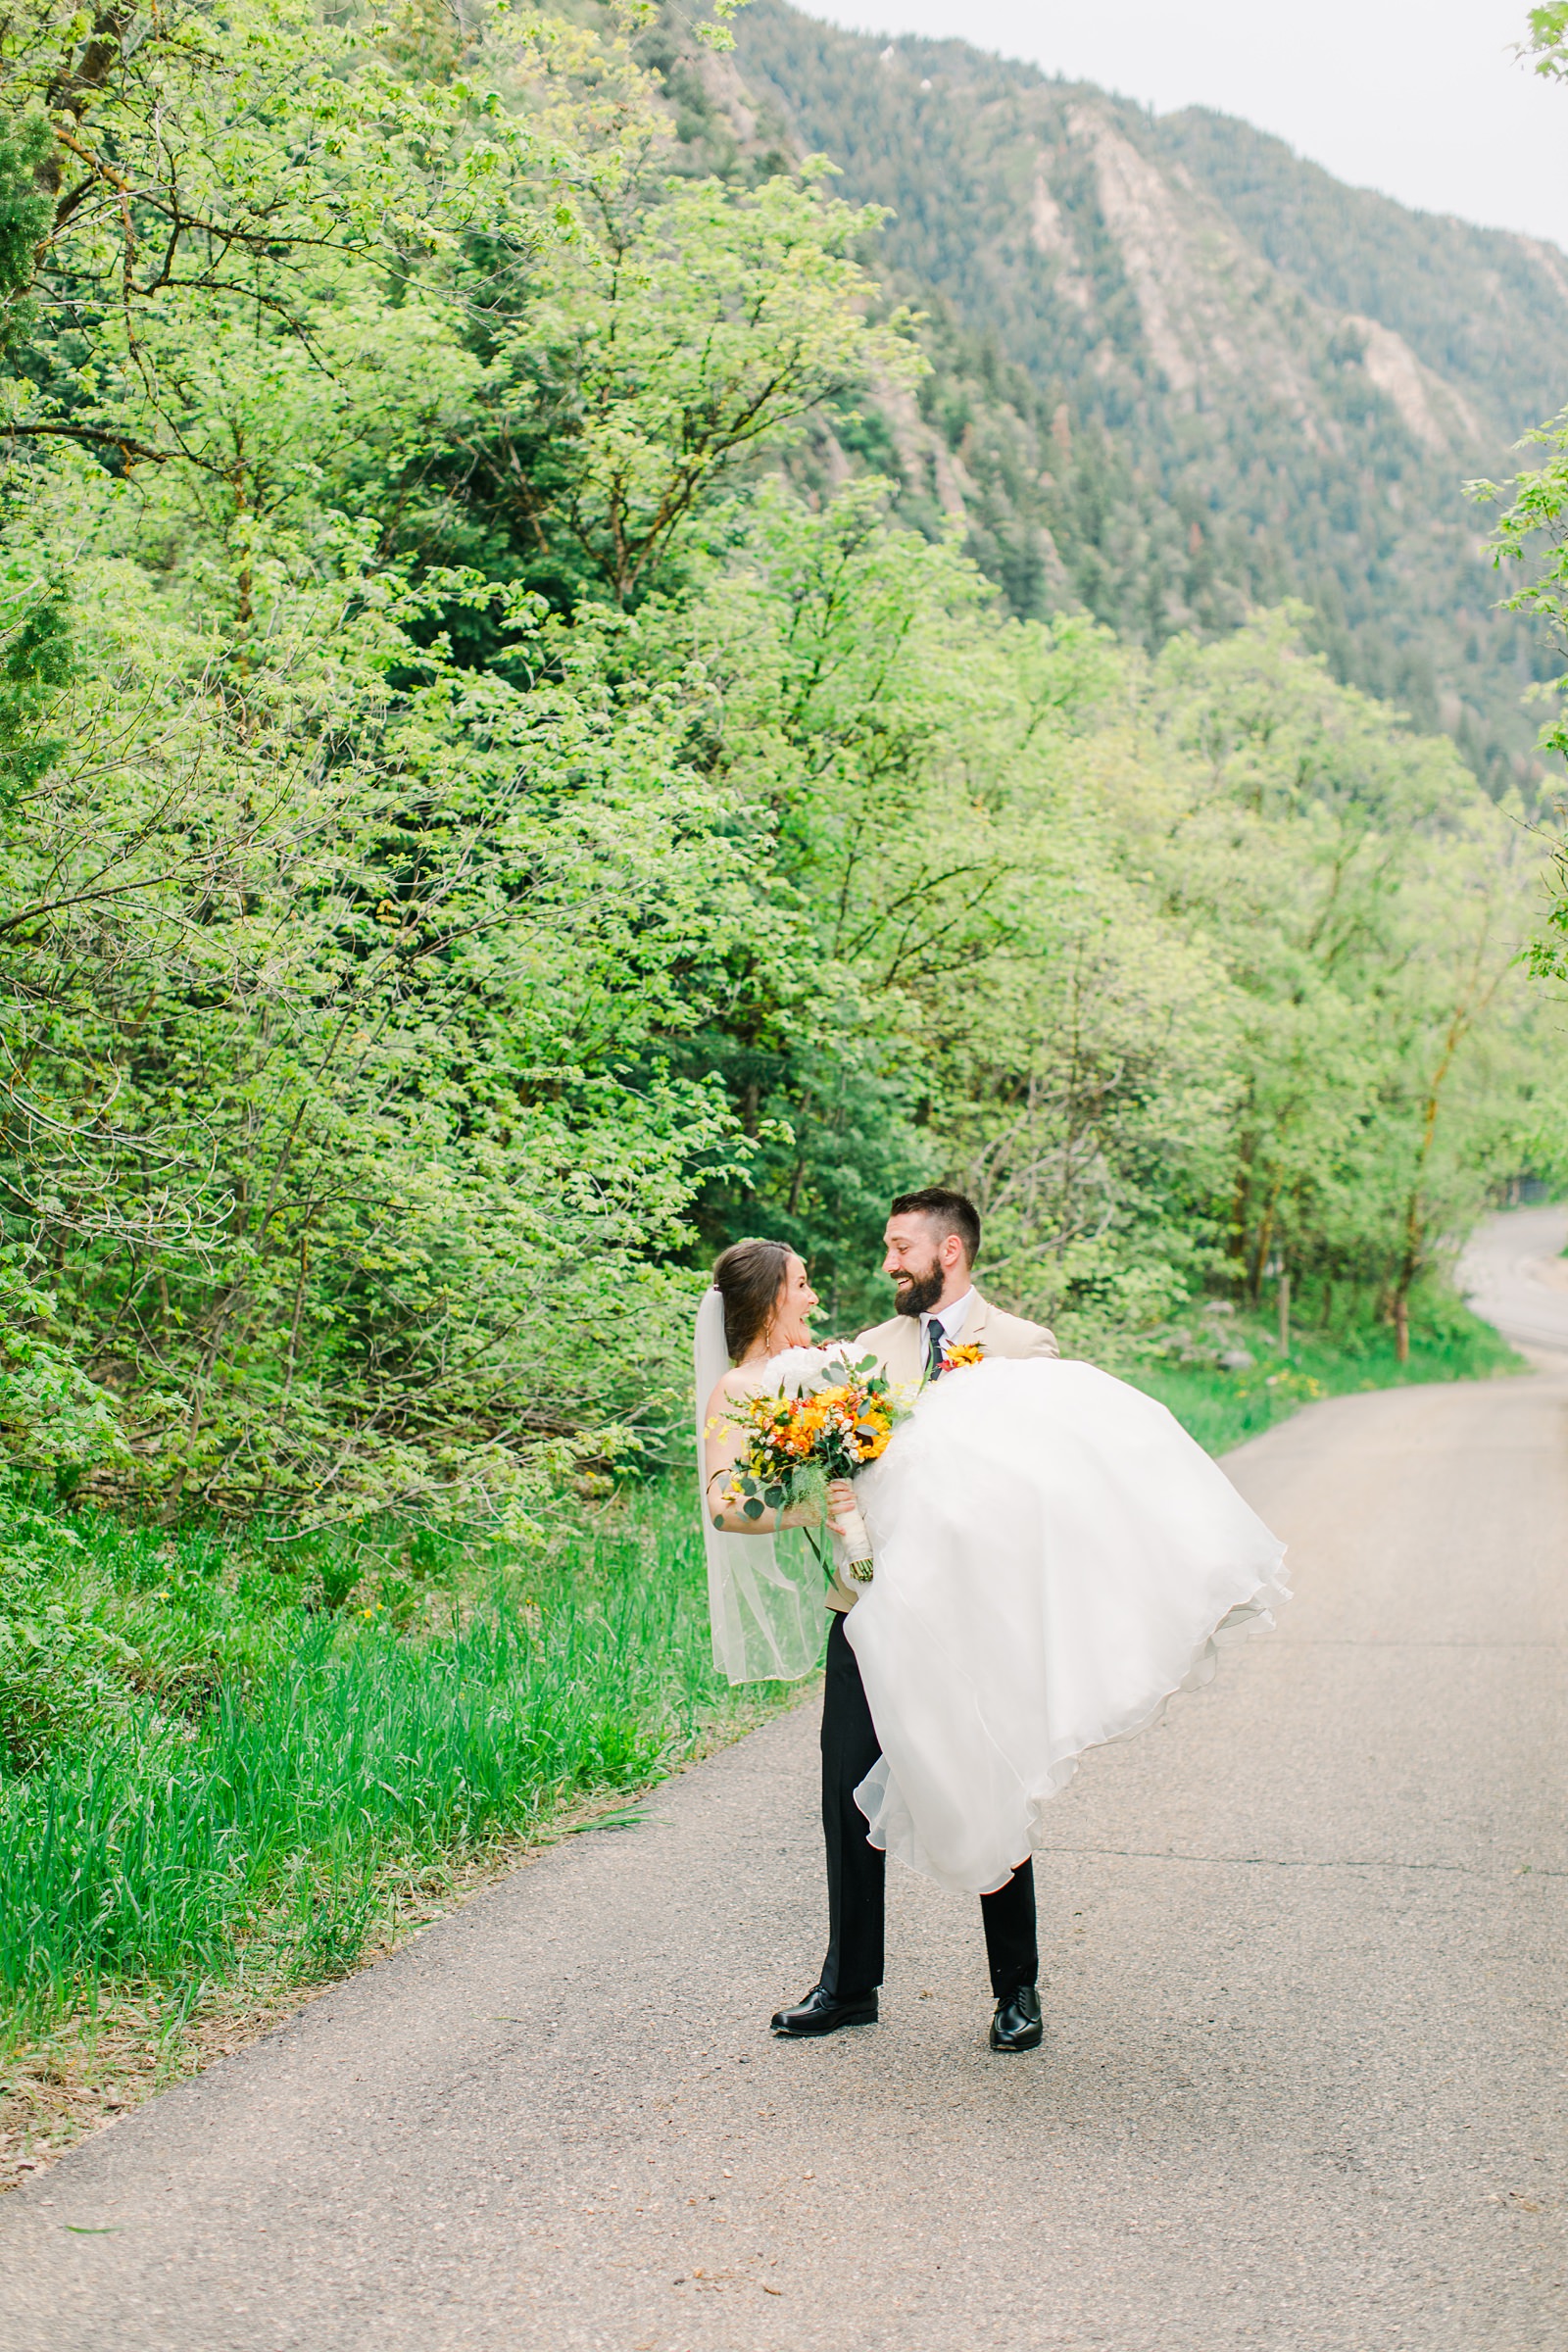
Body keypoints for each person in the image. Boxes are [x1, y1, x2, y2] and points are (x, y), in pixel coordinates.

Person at [696, 1194, 1286, 2058]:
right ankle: (849, 1982)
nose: (888, 1265)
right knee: (843, 1791)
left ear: (952, 1251)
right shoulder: (858, 1356)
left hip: (977, 1615)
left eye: (901, 1249)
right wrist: (821, 1512)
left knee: (988, 1783)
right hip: (867, 1606)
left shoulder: (1026, 1346)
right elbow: (794, 1465)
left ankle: (1016, 1990)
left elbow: (1062, 1481)